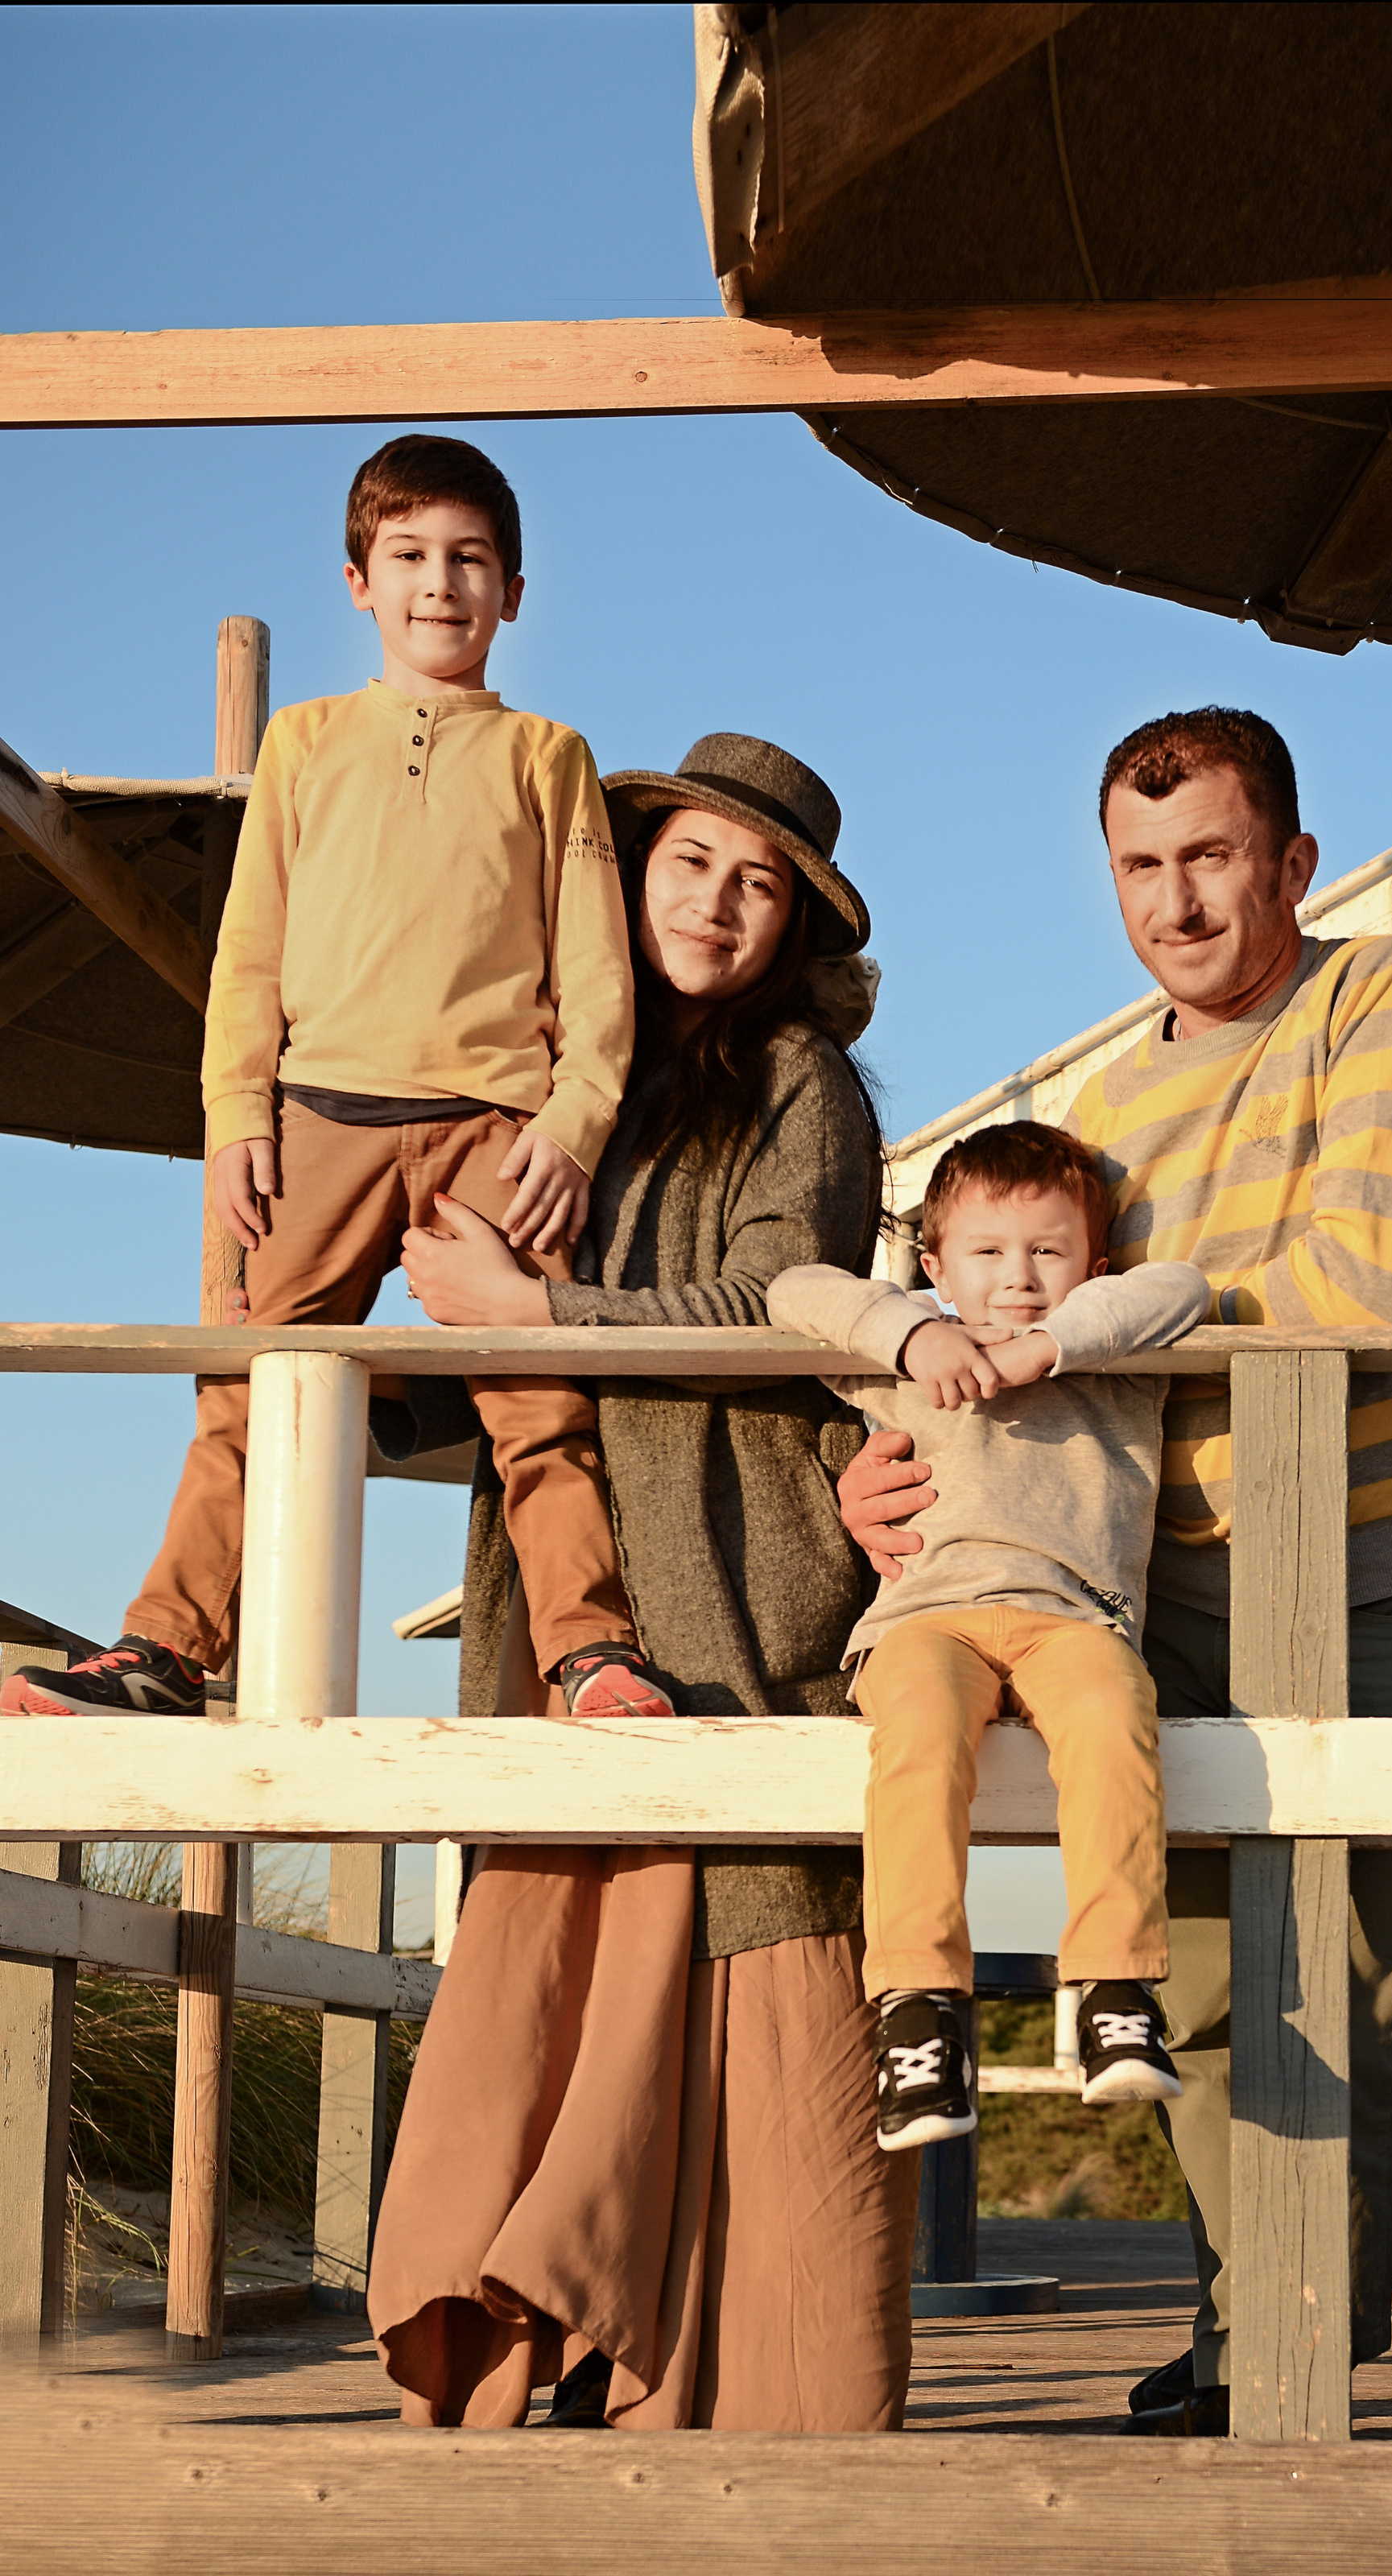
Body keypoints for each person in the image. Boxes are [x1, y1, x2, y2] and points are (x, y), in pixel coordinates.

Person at [839, 708, 1392, 2436]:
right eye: (1140, 866)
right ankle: (1239, 2331)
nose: (1176, 902)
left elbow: (1364, 1279)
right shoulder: (1105, 1108)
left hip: (1364, 1566)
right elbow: (1012, 1351)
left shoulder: (1378, 1002)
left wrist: (1104, 1327)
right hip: (1148, 1587)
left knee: (1352, 1983)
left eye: (1209, 857)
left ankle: (1298, 2344)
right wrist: (893, 1459)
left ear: (1291, 861)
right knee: (1193, 1988)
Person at [367, 733, 916, 2432]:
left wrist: (531, 1313)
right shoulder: (546, 1071)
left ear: (794, 928)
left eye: (760, 886)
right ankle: (533, 2334)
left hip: (738, 1569)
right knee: (558, 1925)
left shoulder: (803, 1084)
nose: (719, 904)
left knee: (759, 1932)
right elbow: (468, 1310)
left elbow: (780, 1310)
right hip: (562, 1582)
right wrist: (395, 1370)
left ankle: (768, 2397)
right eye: (692, 863)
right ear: (632, 870)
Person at [5, 434, 669, 1727]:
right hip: (319, 1117)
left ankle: (591, 1653)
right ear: (359, 581)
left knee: (540, 1401)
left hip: (497, 1131)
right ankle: (165, 1651)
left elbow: (597, 971)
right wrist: (235, 1117)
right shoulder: (304, 743)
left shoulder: (550, 754)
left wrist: (577, 1125)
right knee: (245, 1383)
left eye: (470, 560)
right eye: (409, 556)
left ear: (513, 592)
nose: (440, 583)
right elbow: (248, 953)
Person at [769, 1123, 1212, 2150]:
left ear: (1092, 1264)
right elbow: (793, 1289)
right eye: (986, 1251)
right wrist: (912, 1333)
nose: (1018, 1276)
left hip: (1074, 1619)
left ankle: (1114, 1988)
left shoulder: (1112, 1356)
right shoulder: (907, 1359)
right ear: (935, 1264)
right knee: (920, 1745)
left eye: (1048, 1250)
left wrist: (1040, 1349)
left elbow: (1182, 1287)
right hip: (926, 1622)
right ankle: (919, 2010)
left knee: (1114, 1718)